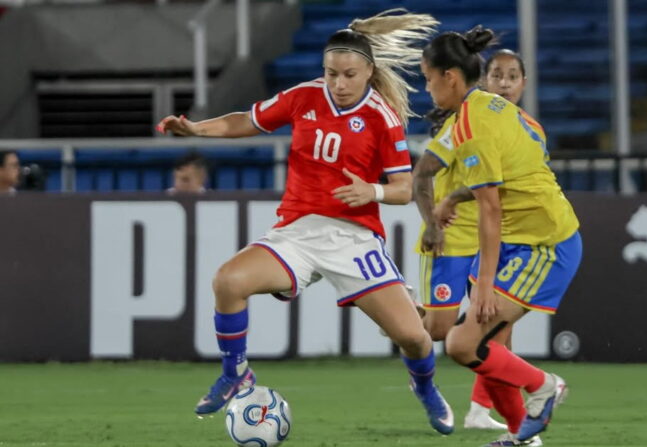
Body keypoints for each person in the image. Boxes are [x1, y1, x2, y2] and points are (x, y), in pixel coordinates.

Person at [157, 9, 455, 435]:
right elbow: (249, 120)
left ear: (369, 71)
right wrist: (196, 129)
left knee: (413, 337)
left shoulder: (382, 117)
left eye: (349, 74)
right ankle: (236, 373)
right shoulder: (304, 96)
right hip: (296, 233)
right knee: (228, 281)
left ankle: (425, 387)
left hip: (353, 238)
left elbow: (404, 189)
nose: (339, 83)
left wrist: (370, 192)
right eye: (331, 73)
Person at [420, 27, 582, 446]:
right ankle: (522, 437)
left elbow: (490, 208)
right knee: (482, 346)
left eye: (427, 78)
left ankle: (545, 387)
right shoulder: (493, 108)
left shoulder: (472, 125)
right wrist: (455, 197)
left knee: (462, 343)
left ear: (449, 77)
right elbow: (511, 170)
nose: (427, 88)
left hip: (543, 245)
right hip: (517, 239)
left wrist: (486, 284)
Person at [413, 49, 529, 432]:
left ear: (524, 84)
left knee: (495, 325)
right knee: (439, 332)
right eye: (497, 75)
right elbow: (426, 174)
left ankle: (481, 411)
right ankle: (404, 315)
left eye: (513, 76)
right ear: (483, 81)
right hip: (452, 236)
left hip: (490, 236)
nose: (505, 83)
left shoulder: (517, 126)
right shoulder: (461, 120)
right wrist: (433, 220)